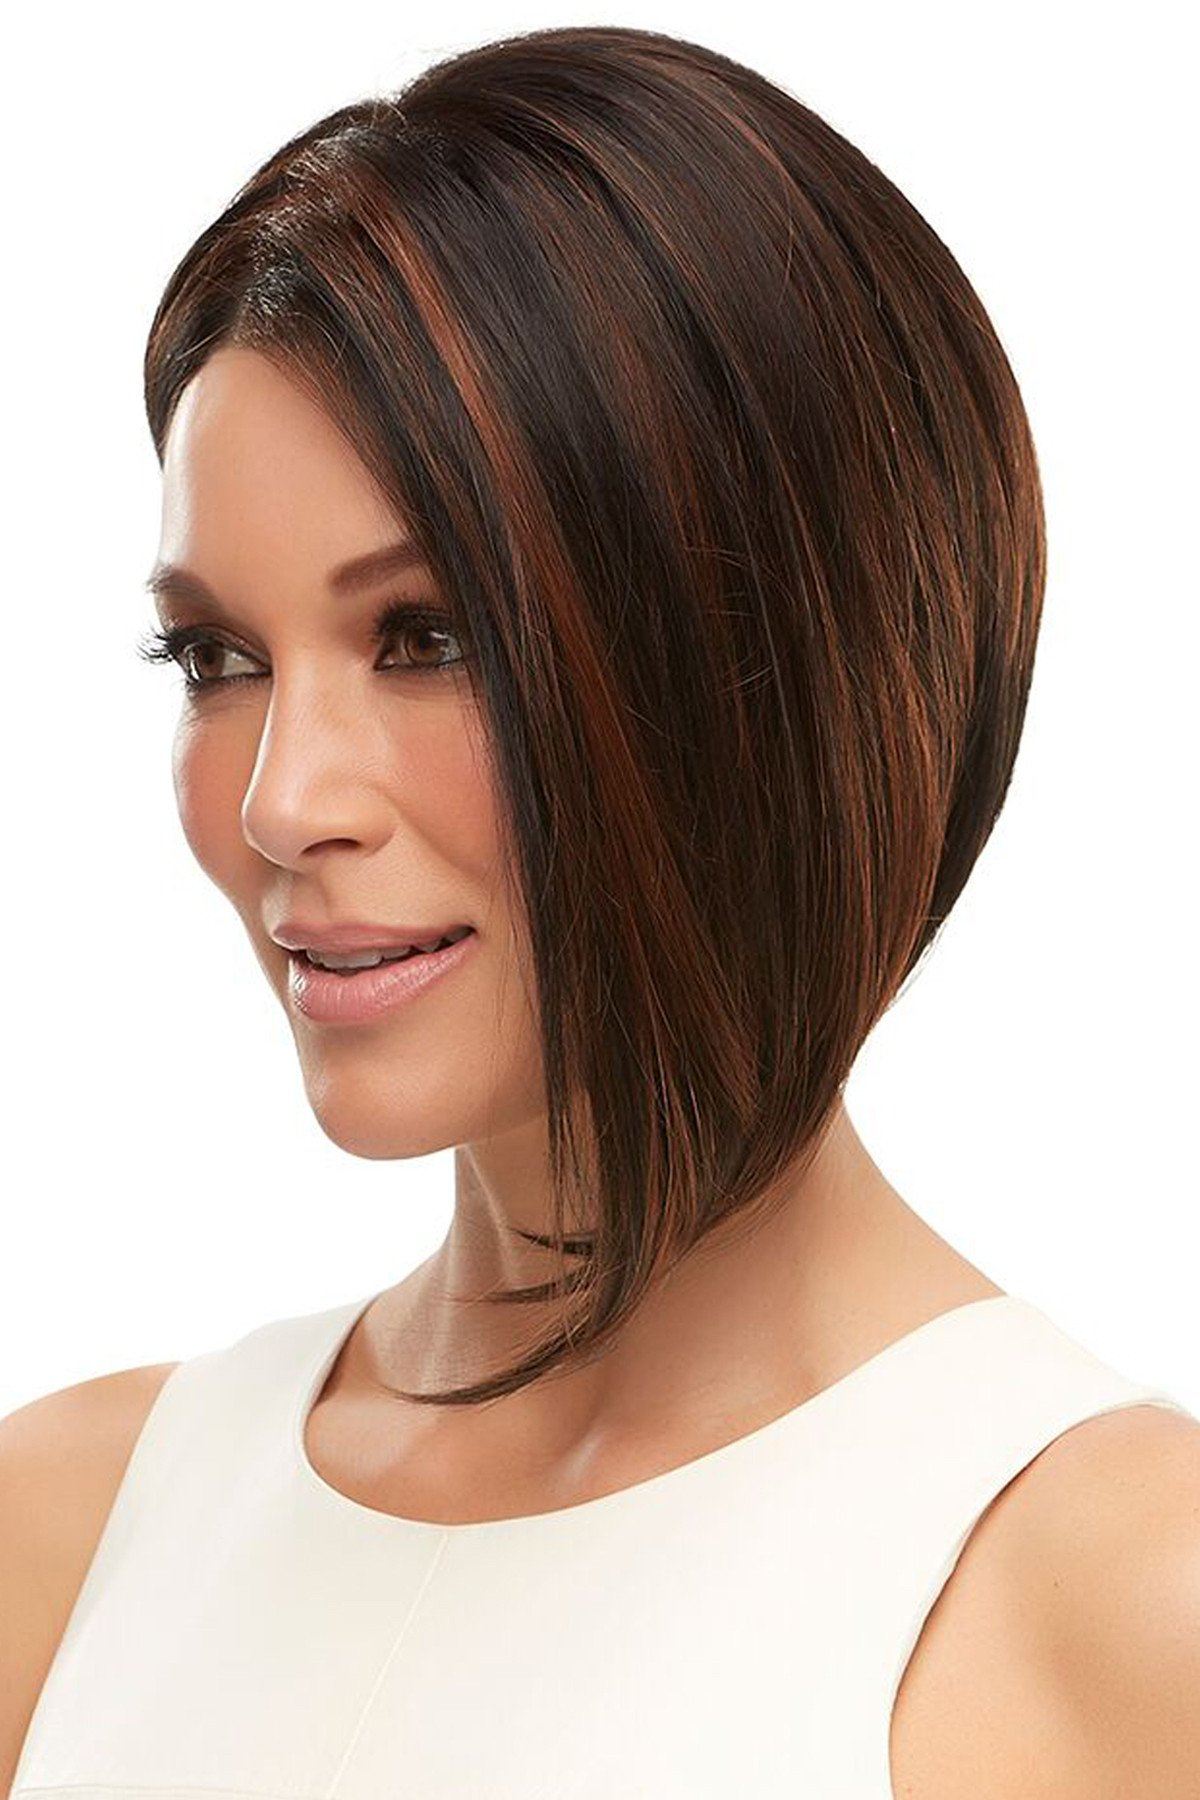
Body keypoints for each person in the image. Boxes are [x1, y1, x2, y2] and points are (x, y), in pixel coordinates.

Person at [3, 23, 1197, 1798]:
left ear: (776, 659)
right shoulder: (67, 1535)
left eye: (428, 637)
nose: (282, 801)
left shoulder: (1112, 1610)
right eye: (217, 657)